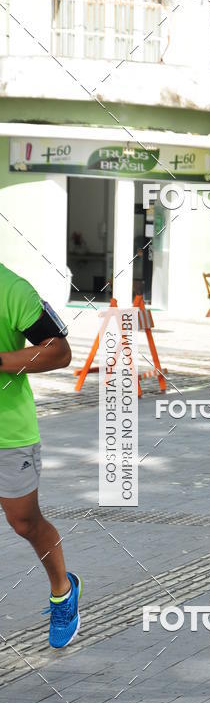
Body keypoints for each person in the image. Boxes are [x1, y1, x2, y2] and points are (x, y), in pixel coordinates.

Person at [0, 264, 81, 647]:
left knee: (24, 523)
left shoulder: (13, 289)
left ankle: (63, 591)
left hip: (8, 433)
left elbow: (59, 351)